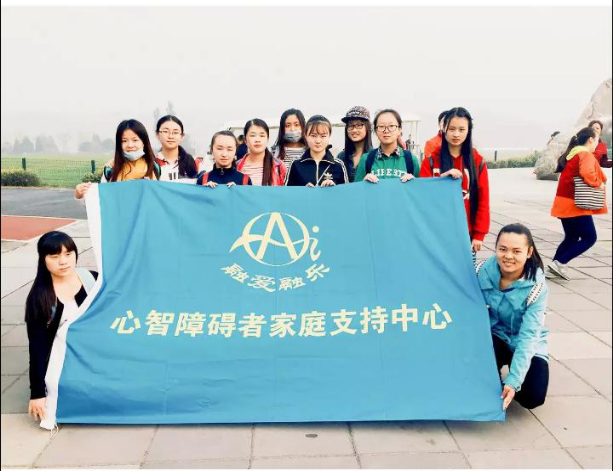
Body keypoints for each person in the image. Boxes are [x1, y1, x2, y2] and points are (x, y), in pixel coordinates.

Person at [25, 231, 98, 421]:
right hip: (64, 359)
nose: (63, 261)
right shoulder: (40, 298)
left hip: (96, 353)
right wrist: (37, 394)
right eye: (54, 256)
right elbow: (38, 348)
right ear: (43, 259)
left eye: (68, 254)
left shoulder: (92, 280)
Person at [475, 224, 549, 410]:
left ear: (529, 252)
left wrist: (514, 380)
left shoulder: (537, 287)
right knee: (475, 381)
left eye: (516, 251)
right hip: (493, 337)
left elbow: (529, 336)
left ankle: (507, 379)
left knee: (533, 397)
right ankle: (492, 377)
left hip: (523, 341)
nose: (508, 256)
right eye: (502, 249)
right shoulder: (480, 272)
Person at [419, 107, 490, 255]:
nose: (456, 134)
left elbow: (483, 200)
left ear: (469, 131)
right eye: (452, 129)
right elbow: (423, 198)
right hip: (436, 234)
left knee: (465, 270)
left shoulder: (478, 162)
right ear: (443, 128)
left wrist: (479, 235)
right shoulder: (431, 162)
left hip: (466, 234)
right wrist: (442, 179)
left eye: (462, 129)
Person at [548, 127, 607, 280]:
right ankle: (560, 263)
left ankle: (554, 266)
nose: (598, 143)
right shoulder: (585, 154)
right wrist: (598, 184)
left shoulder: (572, 154)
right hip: (575, 204)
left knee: (571, 237)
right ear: (591, 140)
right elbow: (587, 173)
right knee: (589, 238)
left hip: (563, 201)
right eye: (597, 139)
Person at [74, 119, 160, 199]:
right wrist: (80, 194)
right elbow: (102, 200)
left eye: (135, 140)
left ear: (143, 142)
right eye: (124, 141)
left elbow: (163, 199)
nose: (130, 145)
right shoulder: (111, 170)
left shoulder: (155, 168)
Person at [353, 109, 420, 184]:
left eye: (391, 126)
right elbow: (356, 189)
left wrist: (414, 182)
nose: (386, 130)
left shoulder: (411, 159)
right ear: (375, 130)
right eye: (381, 126)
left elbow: (421, 188)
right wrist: (363, 183)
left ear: (399, 130)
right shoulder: (366, 159)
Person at [285, 115, 349, 187]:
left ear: (329, 136)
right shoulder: (295, 164)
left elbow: (346, 192)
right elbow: (287, 192)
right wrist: (303, 190)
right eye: (313, 135)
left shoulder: (338, 165)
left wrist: (334, 188)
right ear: (305, 135)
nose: (318, 141)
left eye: (323, 136)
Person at [236, 119, 286, 186]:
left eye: (262, 136)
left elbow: (285, 191)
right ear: (245, 140)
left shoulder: (279, 166)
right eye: (253, 135)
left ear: (267, 139)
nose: (257, 140)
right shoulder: (236, 166)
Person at [154, 115, 199, 183]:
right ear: (157, 134)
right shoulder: (151, 165)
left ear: (182, 136)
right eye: (165, 131)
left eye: (175, 132)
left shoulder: (195, 163)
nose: (171, 136)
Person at [337, 106, 373, 182]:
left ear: (367, 127)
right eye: (350, 125)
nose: (354, 130)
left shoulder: (375, 156)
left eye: (359, 125)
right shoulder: (341, 157)